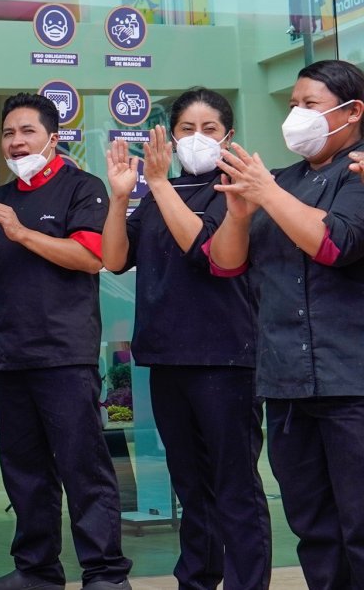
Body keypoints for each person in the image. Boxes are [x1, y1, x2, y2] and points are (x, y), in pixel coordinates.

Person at [0, 92, 132, 590]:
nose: (16, 141)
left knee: (83, 468)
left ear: (53, 136)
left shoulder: (82, 188)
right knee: (24, 472)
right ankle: (37, 570)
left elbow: (91, 257)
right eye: (8, 133)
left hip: (64, 354)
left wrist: (21, 231)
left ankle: (106, 573)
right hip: (11, 353)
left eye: (26, 131)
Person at [103, 89, 270, 589]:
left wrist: (155, 182)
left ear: (229, 136)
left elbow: (206, 251)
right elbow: (113, 259)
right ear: (171, 138)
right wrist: (118, 196)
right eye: (186, 130)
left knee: (234, 487)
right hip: (167, 358)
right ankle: (197, 579)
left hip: (226, 358)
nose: (197, 139)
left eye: (210, 129)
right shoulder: (158, 193)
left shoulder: (239, 191)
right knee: (190, 487)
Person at [209, 59, 364, 590]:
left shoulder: (360, 172)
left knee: (360, 526)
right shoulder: (281, 180)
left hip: (352, 383)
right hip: (287, 381)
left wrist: (266, 192)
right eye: (293, 103)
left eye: (310, 104)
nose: (296, 114)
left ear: (352, 112)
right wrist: (238, 210)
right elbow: (227, 264)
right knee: (312, 525)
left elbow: (334, 243)